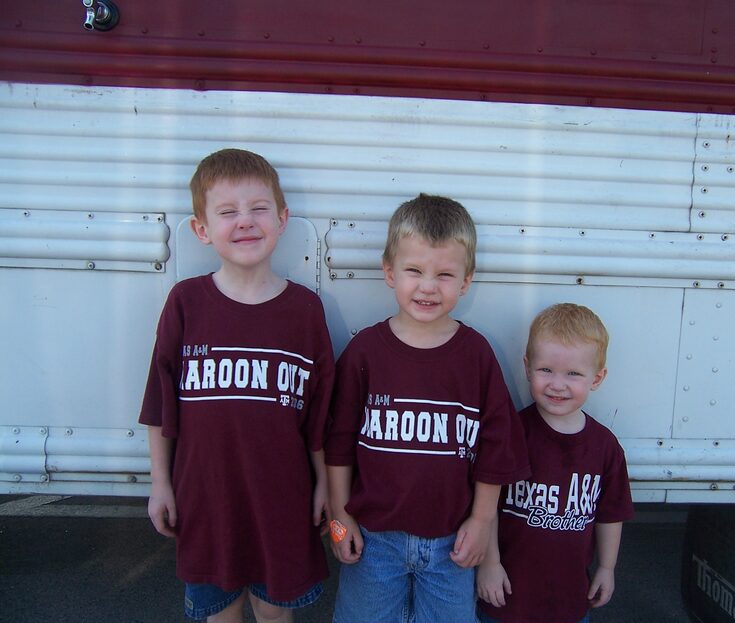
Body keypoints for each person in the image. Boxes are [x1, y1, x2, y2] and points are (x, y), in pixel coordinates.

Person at [139, 148, 334, 623]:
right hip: (206, 500)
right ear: (202, 229)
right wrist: (160, 484)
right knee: (221, 616)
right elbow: (160, 404)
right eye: (228, 212)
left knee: (274, 614)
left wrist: (326, 483)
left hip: (282, 500)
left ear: (282, 218)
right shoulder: (187, 302)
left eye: (258, 208)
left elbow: (320, 413)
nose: (245, 221)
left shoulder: (305, 311)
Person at [325, 193, 531, 623]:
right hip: (374, 541)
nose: (427, 286)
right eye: (414, 270)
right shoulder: (365, 352)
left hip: (451, 542)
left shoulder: (475, 355)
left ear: (466, 281)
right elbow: (338, 444)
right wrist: (340, 519)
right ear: (389, 272)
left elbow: (496, 451)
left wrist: (481, 521)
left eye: (444, 274)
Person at [477, 303, 634, 623]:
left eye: (574, 374)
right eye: (546, 370)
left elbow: (610, 514)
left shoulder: (605, 447)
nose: (558, 384)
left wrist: (606, 567)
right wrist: (489, 564)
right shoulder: (511, 434)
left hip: (570, 601)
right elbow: (486, 508)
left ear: (597, 377)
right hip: (507, 597)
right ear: (527, 367)